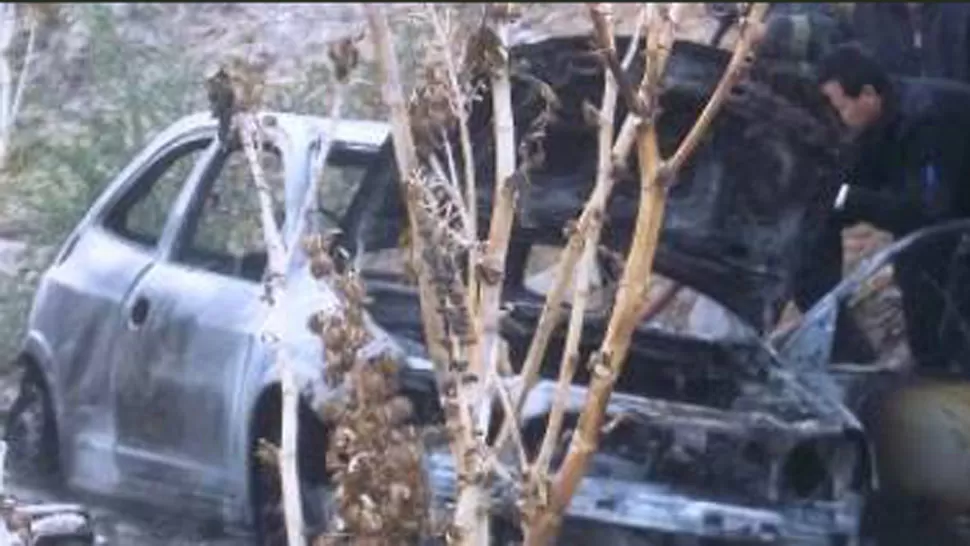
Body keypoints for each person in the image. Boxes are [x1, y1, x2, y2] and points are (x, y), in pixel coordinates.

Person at [816, 43, 970, 371]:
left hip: (953, 221)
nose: (837, 119)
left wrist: (845, 198)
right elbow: (861, 177)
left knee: (933, 282)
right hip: (942, 220)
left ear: (868, 94)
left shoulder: (928, 121)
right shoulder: (878, 119)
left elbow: (925, 210)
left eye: (840, 108)